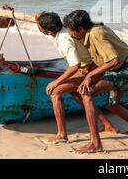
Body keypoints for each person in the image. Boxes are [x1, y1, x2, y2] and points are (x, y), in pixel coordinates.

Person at [64, 10, 128, 153]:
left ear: (80, 29)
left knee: (87, 93)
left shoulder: (96, 34)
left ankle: (95, 143)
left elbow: (113, 60)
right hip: (124, 67)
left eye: (72, 31)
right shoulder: (93, 30)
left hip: (125, 69)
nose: (70, 34)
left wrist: (90, 76)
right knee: (112, 105)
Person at [36, 12, 118, 144]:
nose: (39, 29)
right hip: (86, 67)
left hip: (89, 69)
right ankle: (108, 125)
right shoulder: (61, 32)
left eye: (39, 27)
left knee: (55, 92)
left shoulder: (63, 39)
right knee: (76, 95)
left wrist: (56, 82)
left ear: (47, 31)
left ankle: (62, 134)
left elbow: (74, 66)